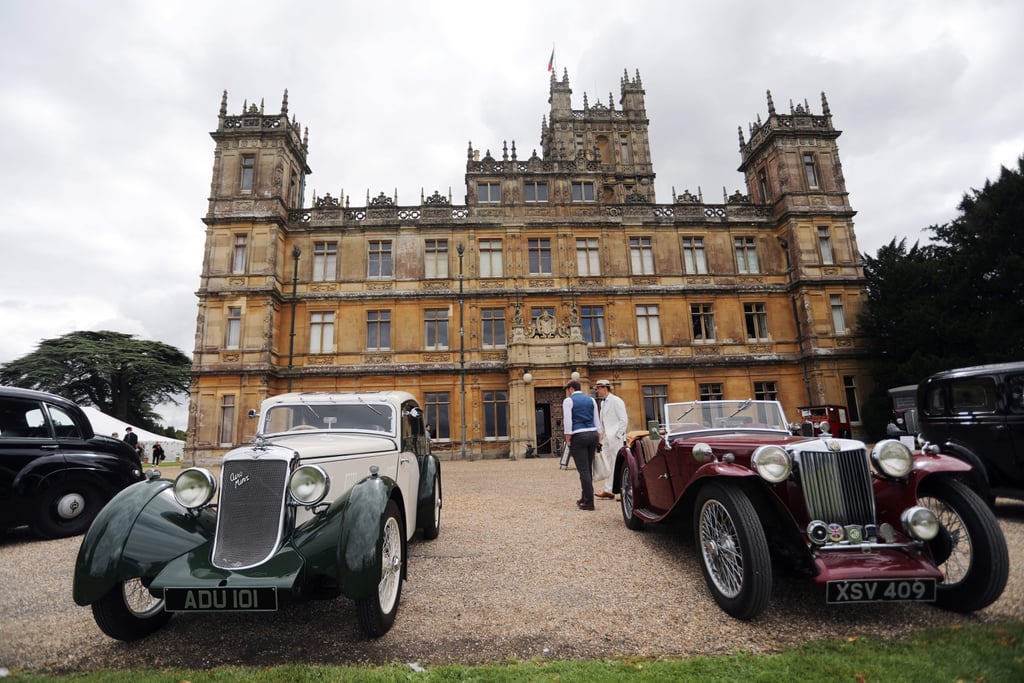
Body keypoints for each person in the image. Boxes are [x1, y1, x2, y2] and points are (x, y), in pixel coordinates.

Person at [562, 379, 600, 510]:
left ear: (571, 389)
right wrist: (598, 437)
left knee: (583, 470)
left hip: (579, 435)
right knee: (587, 468)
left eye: (568, 390)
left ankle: (589, 502)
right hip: (593, 434)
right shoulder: (591, 400)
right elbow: (597, 419)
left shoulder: (568, 401)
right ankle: (584, 497)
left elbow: (567, 421)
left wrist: (568, 437)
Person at [593, 379, 628, 500]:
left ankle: (619, 492)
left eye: (598, 388)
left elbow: (624, 419)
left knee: (617, 464)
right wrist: (600, 436)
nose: (596, 390)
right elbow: (603, 420)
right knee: (607, 464)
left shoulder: (616, 401)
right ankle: (608, 490)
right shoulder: (603, 403)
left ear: (604, 388)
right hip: (606, 438)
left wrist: (618, 435)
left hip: (615, 438)